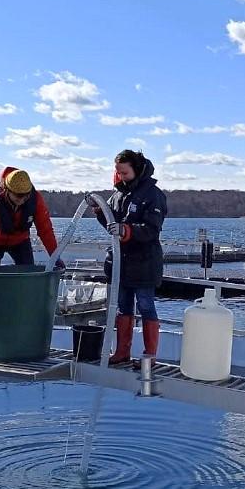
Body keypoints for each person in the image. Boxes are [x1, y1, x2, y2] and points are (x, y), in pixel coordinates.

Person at [93, 149, 167, 366]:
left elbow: (152, 229)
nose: (121, 177)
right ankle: (122, 352)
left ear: (136, 169)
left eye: (124, 172)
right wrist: (100, 212)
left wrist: (127, 230)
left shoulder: (153, 195)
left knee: (145, 306)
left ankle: (150, 355)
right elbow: (112, 226)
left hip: (144, 263)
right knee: (123, 307)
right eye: (119, 173)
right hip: (122, 263)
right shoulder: (117, 195)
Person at [0, 167, 62, 267]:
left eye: (26, 195)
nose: (22, 200)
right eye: (18, 196)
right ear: (6, 190)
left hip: (20, 241)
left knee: (27, 272)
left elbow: (45, 230)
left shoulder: (36, 199)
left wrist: (55, 256)